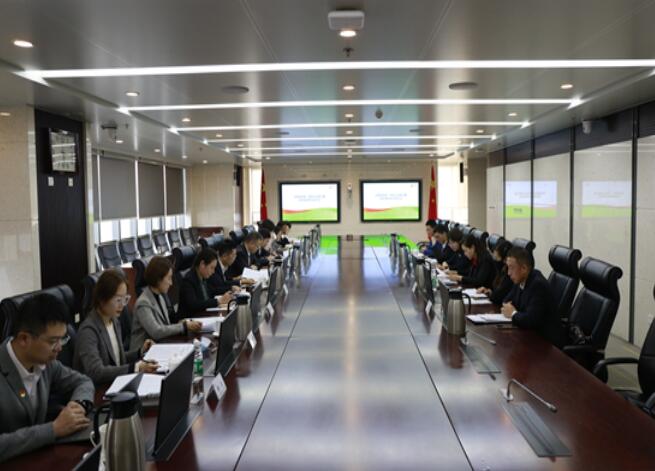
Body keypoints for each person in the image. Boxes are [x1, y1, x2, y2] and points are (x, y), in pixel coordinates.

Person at [0, 294, 95, 462]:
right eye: (53, 341)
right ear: (24, 339)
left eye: (62, 339)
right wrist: (53, 429)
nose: (59, 348)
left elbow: (83, 381)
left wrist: (78, 406)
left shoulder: (46, 363)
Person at [74, 270, 158, 385]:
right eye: (118, 300)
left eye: (125, 299)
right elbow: (96, 372)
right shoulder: (88, 330)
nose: (122, 305)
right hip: (98, 390)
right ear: (102, 299)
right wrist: (136, 367)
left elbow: (117, 359)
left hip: (116, 383)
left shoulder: (114, 321)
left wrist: (140, 352)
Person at [131, 256, 204, 350]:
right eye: (169, 278)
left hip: (160, 345)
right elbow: (156, 332)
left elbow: (165, 326)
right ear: (158, 279)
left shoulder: (160, 296)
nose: (171, 283)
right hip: (144, 353)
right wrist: (183, 326)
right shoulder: (143, 303)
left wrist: (183, 323)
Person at [500, 247, 566, 348]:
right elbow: (506, 301)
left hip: (547, 345)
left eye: (511, 268)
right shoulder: (520, 279)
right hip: (530, 337)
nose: (508, 273)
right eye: (508, 267)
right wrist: (512, 310)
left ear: (524, 268)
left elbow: (530, 320)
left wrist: (513, 313)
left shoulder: (538, 285)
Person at [179, 248, 233, 316]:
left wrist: (230, 290)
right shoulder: (188, 280)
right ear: (202, 264)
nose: (213, 272)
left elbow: (212, 291)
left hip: (204, 314)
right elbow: (193, 304)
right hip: (192, 318)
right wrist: (218, 301)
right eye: (211, 268)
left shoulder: (203, 277)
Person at [478, 240, 514, 304]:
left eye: (497, 258)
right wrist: (490, 291)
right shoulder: (502, 270)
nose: (495, 261)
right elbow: (496, 290)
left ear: (505, 259)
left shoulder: (509, 274)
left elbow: (498, 296)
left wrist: (492, 294)